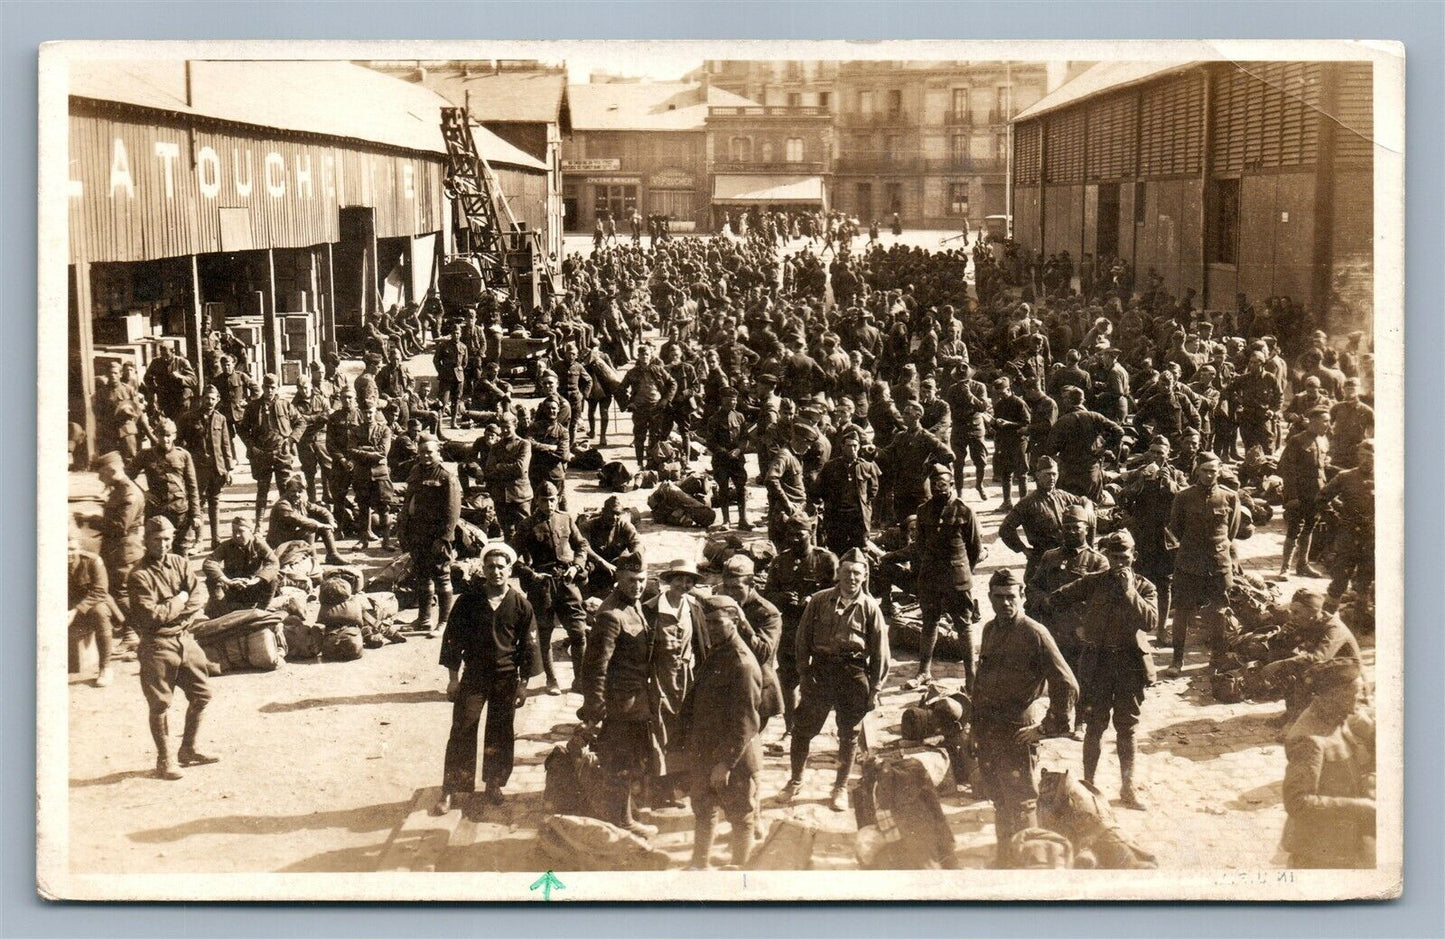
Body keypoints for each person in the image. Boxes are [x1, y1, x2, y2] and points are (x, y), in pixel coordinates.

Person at [971, 568, 1078, 868]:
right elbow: (980, 683)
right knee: (998, 798)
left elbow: (1067, 684)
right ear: (990, 598)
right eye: (999, 597)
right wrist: (972, 730)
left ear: (1021, 597)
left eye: (1011, 597)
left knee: (1021, 801)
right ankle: (1005, 860)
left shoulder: (1035, 633)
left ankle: (1029, 865)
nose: (1005, 603)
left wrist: (1046, 728)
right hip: (988, 729)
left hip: (1017, 730)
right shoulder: (990, 630)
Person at [1044, 531, 1158, 809]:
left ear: (1134, 557)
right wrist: (1075, 629)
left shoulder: (1145, 587)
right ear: (1106, 556)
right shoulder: (1093, 583)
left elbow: (1151, 621)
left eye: (1124, 557)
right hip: (1098, 665)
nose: (1119, 563)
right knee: (1094, 726)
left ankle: (1128, 787)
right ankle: (1089, 786)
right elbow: (1055, 600)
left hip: (1130, 665)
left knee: (1127, 728)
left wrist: (1129, 591)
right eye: (1114, 557)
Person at [781, 548, 890, 812]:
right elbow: (802, 639)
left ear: (864, 577)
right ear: (838, 573)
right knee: (802, 729)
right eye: (847, 572)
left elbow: (880, 652)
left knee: (849, 735)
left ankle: (840, 788)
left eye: (857, 573)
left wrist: (874, 689)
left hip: (852, 677)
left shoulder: (870, 608)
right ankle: (795, 780)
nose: (851, 578)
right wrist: (804, 673)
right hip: (820, 674)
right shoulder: (819, 601)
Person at [432, 542, 537, 816]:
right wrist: (453, 679)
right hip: (474, 676)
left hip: (505, 678)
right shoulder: (468, 601)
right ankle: (451, 789)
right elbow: (452, 640)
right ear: (482, 569)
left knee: (500, 732)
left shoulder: (521, 605)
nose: (495, 572)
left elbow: (529, 647)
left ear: (509, 570)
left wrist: (523, 685)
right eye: (490, 566)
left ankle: (493, 783)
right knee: (463, 727)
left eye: (501, 567)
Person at [127, 516, 218, 780]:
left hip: (186, 639)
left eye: (167, 539)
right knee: (160, 705)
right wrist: (180, 598)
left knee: (202, 695)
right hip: (156, 645)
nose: (164, 544)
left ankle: (188, 749)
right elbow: (152, 616)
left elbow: (198, 596)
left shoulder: (180, 562)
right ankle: (164, 759)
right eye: (157, 539)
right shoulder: (139, 575)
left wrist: (176, 608)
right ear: (146, 540)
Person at [581, 553, 660, 839]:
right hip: (620, 703)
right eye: (631, 580)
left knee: (632, 758)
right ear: (618, 579)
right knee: (620, 762)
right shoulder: (611, 614)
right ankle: (623, 819)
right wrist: (595, 708)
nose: (638, 586)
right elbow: (596, 667)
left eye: (641, 580)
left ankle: (625, 809)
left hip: (637, 699)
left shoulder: (634, 604)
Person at [683, 595, 764, 870]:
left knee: (741, 816)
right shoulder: (720, 650)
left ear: (737, 621)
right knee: (704, 810)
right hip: (707, 751)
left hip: (734, 758)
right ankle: (699, 866)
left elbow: (745, 722)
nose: (712, 628)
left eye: (718, 622)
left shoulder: (741, 663)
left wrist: (725, 764)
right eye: (708, 623)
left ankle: (741, 871)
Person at [1164, 452, 1254, 677]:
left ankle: (1216, 658)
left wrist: (1219, 550)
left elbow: (1231, 531)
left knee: (1219, 612)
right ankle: (1177, 660)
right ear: (1197, 470)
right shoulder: (1183, 497)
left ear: (1219, 471)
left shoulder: (1230, 497)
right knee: (1183, 612)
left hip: (1218, 564)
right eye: (1204, 470)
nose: (1209, 475)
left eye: (1213, 471)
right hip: (1189, 563)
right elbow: (1175, 528)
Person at [1280, 659, 1375, 869]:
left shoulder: (1338, 714)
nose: (1358, 701)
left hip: (1346, 838)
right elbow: (1298, 802)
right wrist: (1361, 808)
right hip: (1320, 852)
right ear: (1333, 696)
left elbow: (1369, 731)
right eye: (1354, 694)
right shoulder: (1309, 740)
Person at [511, 480, 595, 695]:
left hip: (567, 582)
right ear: (536, 501)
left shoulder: (566, 519)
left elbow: (582, 545)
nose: (548, 504)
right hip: (542, 586)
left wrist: (577, 566)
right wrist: (531, 574)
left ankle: (580, 680)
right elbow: (510, 556)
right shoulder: (527, 525)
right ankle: (551, 680)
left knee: (578, 632)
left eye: (552, 499)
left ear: (557, 499)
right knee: (544, 634)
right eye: (543, 500)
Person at [763, 514, 838, 736]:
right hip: (790, 629)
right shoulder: (780, 561)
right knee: (787, 679)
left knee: (815, 679)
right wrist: (783, 597)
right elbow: (768, 594)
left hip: (819, 628)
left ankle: (810, 723)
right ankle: (791, 727)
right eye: (790, 535)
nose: (794, 539)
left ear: (810, 533)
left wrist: (813, 599)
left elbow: (838, 593)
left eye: (799, 535)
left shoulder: (826, 560)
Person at [912, 465, 985, 690]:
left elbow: (974, 548)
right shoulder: (924, 511)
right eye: (933, 485)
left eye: (942, 484)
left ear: (952, 485)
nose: (937, 489)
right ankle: (924, 671)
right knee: (929, 623)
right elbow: (921, 546)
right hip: (931, 577)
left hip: (956, 579)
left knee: (963, 626)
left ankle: (971, 676)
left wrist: (962, 572)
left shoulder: (964, 511)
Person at [643, 560, 706, 804]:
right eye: (679, 579)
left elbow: (700, 644)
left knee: (684, 731)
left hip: (687, 678)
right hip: (660, 679)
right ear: (669, 581)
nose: (684, 584)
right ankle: (659, 790)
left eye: (689, 580)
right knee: (661, 732)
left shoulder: (694, 607)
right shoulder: (651, 609)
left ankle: (679, 786)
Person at [1262, 587, 1362, 727]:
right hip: (1329, 672)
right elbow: (1282, 651)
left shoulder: (1333, 628)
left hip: (1346, 681)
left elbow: (1319, 658)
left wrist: (1281, 664)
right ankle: (1293, 713)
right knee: (1285, 659)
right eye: (1292, 610)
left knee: (1298, 668)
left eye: (1296, 612)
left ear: (1312, 612)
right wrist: (1281, 637)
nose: (1292, 615)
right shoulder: (1308, 621)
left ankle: (1300, 719)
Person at [714, 554, 785, 735]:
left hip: (755, 691)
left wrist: (743, 622)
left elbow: (763, 653)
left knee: (745, 750)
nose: (730, 593)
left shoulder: (768, 612)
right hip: (724, 687)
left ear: (752, 585)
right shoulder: (720, 602)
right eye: (726, 587)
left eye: (736, 588)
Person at [401, 434, 462, 638]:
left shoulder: (446, 476)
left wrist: (444, 538)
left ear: (438, 453)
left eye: (429, 452)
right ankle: (424, 619)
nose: (425, 456)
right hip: (417, 534)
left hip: (437, 536)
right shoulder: (416, 470)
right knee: (422, 576)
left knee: (442, 577)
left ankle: (444, 622)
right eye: (421, 452)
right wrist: (404, 530)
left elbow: (452, 511)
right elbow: (408, 501)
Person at [998, 456, 1094, 585]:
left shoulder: (1062, 496)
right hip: (1042, 560)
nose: (1052, 478)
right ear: (1037, 475)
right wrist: (1023, 549)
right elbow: (1005, 529)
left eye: (1054, 474)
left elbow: (1084, 500)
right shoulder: (1028, 503)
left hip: (1066, 557)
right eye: (1047, 474)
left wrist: (1087, 509)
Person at [132, 416, 202, 556]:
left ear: (174, 435)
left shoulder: (183, 455)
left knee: (181, 552)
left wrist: (195, 514)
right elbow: (126, 477)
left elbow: (192, 487)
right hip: (156, 511)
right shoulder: (145, 455)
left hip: (180, 511)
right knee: (155, 552)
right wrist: (143, 493)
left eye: (169, 436)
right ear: (156, 435)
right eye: (161, 435)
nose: (165, 439)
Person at [1278, 404, 1333, 578]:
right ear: (1314, 421)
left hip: (1316, 494)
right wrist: (1292, 496)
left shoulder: (1324, 440)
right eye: (1325, 421)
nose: (1328, 425)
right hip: (1299, 495)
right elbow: (1286, 469)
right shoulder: (1297, 440)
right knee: (1294, 529)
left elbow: (1322, 467)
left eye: (1329, 421)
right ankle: (1285, 568)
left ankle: (1303, 565)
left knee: (1309, 528)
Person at [179, 384, 234, 551]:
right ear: (202, 398)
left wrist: (229, 469)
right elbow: (181, 443)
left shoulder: (221, 419)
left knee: (215, 503)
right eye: (207, 398)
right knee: (198, 504)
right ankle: (199, 540)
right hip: (198, 469)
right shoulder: (189, 418)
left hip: (217, 469)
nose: (210, 402)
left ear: (217, 400)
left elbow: (226, 445)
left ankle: (215, 540)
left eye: (213, 399)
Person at [1043, 387, 1124, 502]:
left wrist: (1059, 461)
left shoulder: (1062, 421)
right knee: (1092, 506)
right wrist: (1104, 448)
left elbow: (1050, 448)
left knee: (1070, 507)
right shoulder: (1095, 416)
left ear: (1068, 402)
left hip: (1069, 472)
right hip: (1091, 470)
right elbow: (1119, 431)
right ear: (1083, 400)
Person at [1319, 438, 1375, 604]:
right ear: (1358, 456)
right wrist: (1335, 519)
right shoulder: (1346, 477)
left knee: (1366, 580)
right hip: (1348, 535)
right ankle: (1327, 619)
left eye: (1371, 456)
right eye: (1363, 455)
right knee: (1339, 579)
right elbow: (1322, 499)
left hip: (1372, 537)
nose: (1367, 460)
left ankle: (1361, 616)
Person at [241, 373, 299, 528]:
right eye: (266, 387)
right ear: (262, 387)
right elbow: (242, 429)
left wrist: (291, 439)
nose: (269, 390)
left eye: (273, 387)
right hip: (262, 454)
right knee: (262, 490)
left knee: (285, 489)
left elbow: (300, 422)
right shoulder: (253, 407)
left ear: (277, 388)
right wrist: (251, 446)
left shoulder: (285, 405)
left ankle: (286, 524)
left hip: (282, 452)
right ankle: (258, 525)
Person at [816, 424, 880, 556]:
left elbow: (873, 489)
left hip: (858, 517)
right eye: (849, 445)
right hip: (837, 516)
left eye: (855, 446)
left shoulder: (867, 466)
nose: (853, 449)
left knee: (861, 550)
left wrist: (865, 503)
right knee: (835, 549)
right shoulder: (831, 467)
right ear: (842, 447)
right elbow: (821, 489)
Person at [68, 522, 118, 687]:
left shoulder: (92, 561)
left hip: (91, 607)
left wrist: (75, 611)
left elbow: (100, 591)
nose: (69, 553)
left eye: (72, 549)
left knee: (100, 612)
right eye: (64, 549)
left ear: (79, 548)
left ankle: (105, 667)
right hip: (67, 609)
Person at [201, 517, 279, 616]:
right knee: (212, 579)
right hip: (231, 588)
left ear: (250, 531)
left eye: (241, 531)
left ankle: (260, 611)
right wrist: (228, 581)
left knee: (273, 579)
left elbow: (273, 563)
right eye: (234, 531)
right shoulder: (227, 545)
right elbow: (209, 562)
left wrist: (254, 581)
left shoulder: (259, 544)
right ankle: (225, 613)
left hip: (251, 587)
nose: (237, 535)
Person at [347, 394, 395, 550]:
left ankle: (386, 541)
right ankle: (363, 539)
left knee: (384, 507)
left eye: (370, 412)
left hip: (380, 474)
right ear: (361, 413)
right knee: (363, 506)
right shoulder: (355, 430)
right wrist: (370, 453)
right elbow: (351, 451)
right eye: (365, 412)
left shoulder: (384, 430)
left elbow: (383, 452)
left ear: (375, 412)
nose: (368, 415)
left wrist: (362, 450)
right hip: (362, 474)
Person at [267, 474, 345, 564]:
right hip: (280, 543)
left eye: (300, 492)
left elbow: (321, 510)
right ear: (286, 491)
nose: (296, 495)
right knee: (310, 529)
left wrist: (331, 522)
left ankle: (333, 555)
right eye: (293, 491)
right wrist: (322, 525)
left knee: (321, 521)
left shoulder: (300, 501)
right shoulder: (283, 505)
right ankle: (313, 561)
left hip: (292, 537)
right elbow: (300, 520)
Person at [704, 386, 752, 530]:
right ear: (722, 401)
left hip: (737, 460)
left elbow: (745, 438)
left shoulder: (740, 417)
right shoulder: (714, 419)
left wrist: (738, 450)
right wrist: (725, 452)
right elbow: (711, 442)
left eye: (734, 400)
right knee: (723, 489)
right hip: (721, 461)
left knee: (741, 488)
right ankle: (726, 521)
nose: (732, 403)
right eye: (729, 400)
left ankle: (743, 519)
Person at [484, 409, 533, 540]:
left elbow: (521, 468)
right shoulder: (496, 447)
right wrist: (507, 468)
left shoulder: (524, 444)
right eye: (502, 427)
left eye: (507, 427)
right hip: (501, 496)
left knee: (525, 531)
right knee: (507, 533)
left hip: (519, 495)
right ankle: (511, 559)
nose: (504, 430)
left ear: (515, 425)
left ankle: (528, 560)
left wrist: (500, 466)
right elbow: (489, 470)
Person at [991, 375, 1031, 510]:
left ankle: (1023, 504)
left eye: (1002, 393)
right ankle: (1007, 502)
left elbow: (1026, 424)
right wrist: (993, 423)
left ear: (1009, 389)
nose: (1000, 396)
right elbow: (997, 426)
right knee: (1005, 473)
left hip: (1019, 442)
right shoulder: (999, 404)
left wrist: (1008, 424)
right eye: (998, 394)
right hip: (1004, 442)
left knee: (1021, 474)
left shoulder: (1019, 403)